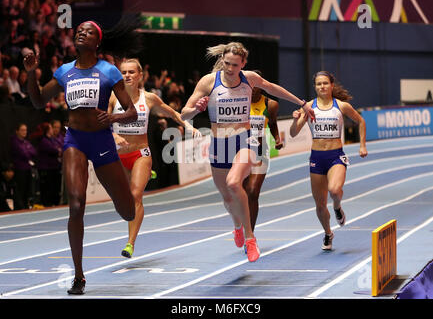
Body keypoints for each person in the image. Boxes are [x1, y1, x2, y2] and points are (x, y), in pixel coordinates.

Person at [23, 18, 143, 295]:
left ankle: (124, 200)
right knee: (76, 204)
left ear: (96, 42)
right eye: (78, 31)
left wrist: (112, 117)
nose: (81, 34)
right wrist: (31, 74)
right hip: (75, 140)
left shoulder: (108, 70)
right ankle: (79, 275)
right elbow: (39, 101)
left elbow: (132, 112)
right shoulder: (65, 71)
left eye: (87, 32)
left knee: (127, 210)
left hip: (101, 140)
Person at [181, 42, 315, 262]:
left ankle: (250, 238)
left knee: (235, 183)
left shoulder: (249, 79)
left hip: (244, 140)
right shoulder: (208, 81)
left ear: (243, 64)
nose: (230, 69)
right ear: (222, 60)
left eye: (235, 65)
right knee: (226, 197)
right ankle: (237, 226)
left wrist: (302, 103)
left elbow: (272, 88)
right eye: (226, 63)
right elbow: (183, 115)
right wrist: (196, 109)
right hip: (219, 143)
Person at [107, 58, 198, 258]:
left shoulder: (148, 99)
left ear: (140, 75)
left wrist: (189, 125)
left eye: (132, 72)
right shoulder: (112, 98)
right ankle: (148, 174)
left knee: (135, 196)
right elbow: (102, 122)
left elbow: (173, 113)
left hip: (141, 154)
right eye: (123, 72)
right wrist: (113, 134)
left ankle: (130, 243)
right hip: (118, 156)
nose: (127, 75)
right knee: (122, 203)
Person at [290, 70, 367, 250]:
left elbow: (361, 121)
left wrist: (362, 145)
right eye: (318, 84)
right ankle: (327, 233)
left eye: (325, 83)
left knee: (334, 190)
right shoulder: (308, 107)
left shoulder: (341, 106)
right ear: (315, 87)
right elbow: (293, 133)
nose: (322, 86)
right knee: (319, 205)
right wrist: (295, 120)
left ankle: (338, 206)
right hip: (317, 158)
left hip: (336, 156)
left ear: (332, 85)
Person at [243, 71, 283, 237]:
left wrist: (277, 138)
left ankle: (249, 234)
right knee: (243, 194)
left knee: (253, 192)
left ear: (261, 86)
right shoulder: (239, 103)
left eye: (255, 85)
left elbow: (272, 123)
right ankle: (242, 224)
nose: (252, 89)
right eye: (249, 85)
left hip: (260, 151)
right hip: (240, 152)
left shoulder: (270, 104)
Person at [34, 122, 62, 207]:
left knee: (55, 187)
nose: (52, 130)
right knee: (47, 188)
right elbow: (54, 150)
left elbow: (59, 148)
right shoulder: (44, 141)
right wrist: (58, 151)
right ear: (47, 130)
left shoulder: (52, 139)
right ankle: (47, 203)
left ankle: (54, 202)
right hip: (46, 168)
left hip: (54, 167)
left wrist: (58, 150)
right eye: (51, 128)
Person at [9, 123, 36, 209]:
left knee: (27, 191)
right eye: (22, 130)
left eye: (26, 130)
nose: (25, 132)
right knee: (20, 190)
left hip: (27, 169)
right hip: (19, 170)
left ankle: (25, 207)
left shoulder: (26, 142)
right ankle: (19, 208)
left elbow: (34, 152)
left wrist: (27, 150)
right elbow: (24, 154)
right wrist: (27, 151)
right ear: (17, 131)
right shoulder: (14, 142)